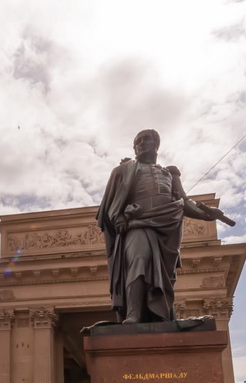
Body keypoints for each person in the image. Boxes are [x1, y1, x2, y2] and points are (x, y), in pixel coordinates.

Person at [97, 129, 234, 324]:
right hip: (138, 223)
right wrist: (118, 216)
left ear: (156, 145)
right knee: (139, 258)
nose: (142, 144)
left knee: (164, 276)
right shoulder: (123, 170)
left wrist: (207, 215)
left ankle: (159, 315)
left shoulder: (170, 173)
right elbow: (109, 204)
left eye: (147, 140)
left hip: (166, 228)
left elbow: (184, 202)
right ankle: (133, 314)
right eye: (138, 142)